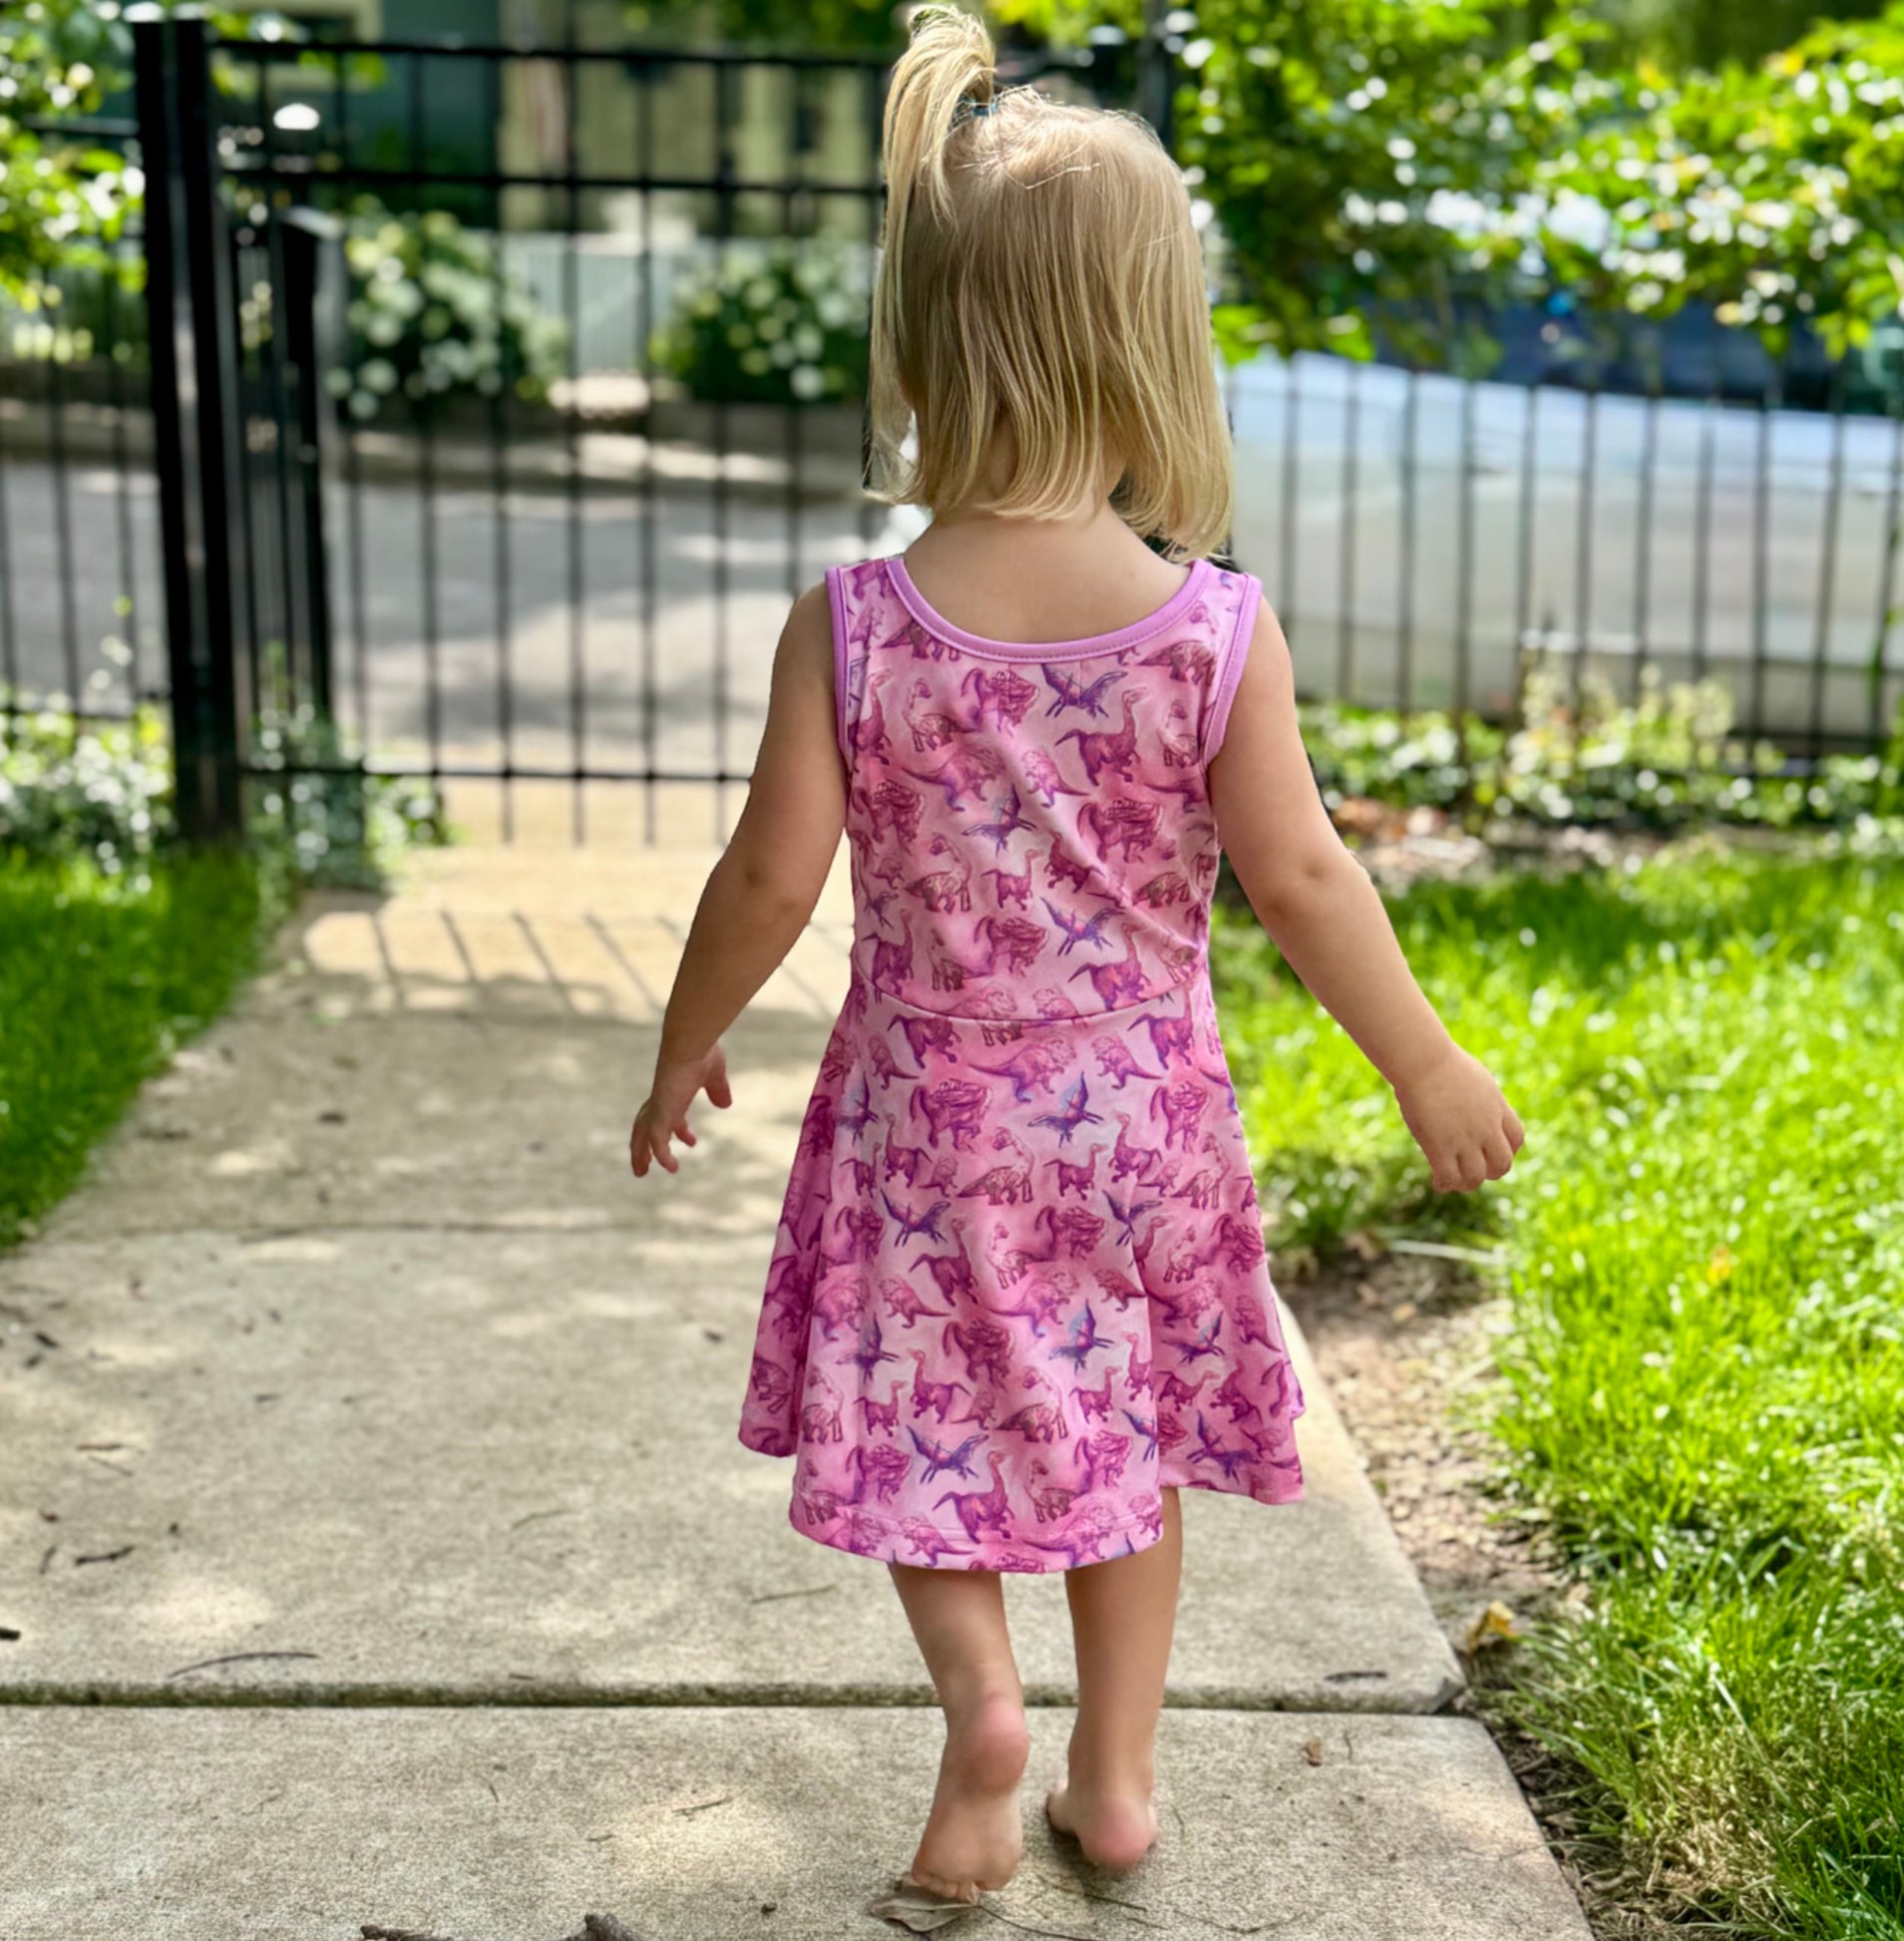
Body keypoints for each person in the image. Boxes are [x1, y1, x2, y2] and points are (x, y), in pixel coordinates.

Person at [630, 3, 1523, 1909]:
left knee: (909, 1419)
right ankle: (1113, 1786)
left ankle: (979, 1715)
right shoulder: (1209, 630)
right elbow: (1297, 876)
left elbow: (771, 872)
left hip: (919, 1122)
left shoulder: (856, 625)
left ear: (932, 344)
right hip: (1137, 1127)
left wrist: (683, 1040)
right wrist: (1422, 1062)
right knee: (1124, 1449)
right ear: (1152, 346)